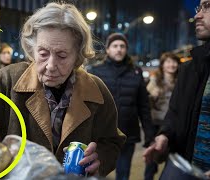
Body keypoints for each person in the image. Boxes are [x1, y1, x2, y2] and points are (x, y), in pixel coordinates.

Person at [0, 2, 126, 177]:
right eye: (43, 53)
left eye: (62, 55)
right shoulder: (11, 79)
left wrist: (100, 158)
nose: (50, 65)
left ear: (78, 55)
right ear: (32, 50)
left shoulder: (96, 90)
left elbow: (112, 141)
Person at [143, 0, 210, 177]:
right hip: (181, 170)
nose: (197, 15)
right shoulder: (190, 69)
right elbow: (174, 114)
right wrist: (164, 136)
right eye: (199, 7)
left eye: (208, 6)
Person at [87, 33, 155, 180]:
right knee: (96, 173)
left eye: (122, 46)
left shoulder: (136, 72)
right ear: (108, 49)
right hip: (101, 134)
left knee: (123, 174)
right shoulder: (95, 71)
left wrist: (149, 135)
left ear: (126, 49)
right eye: (115, 46)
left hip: (127, 134)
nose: (119, 49)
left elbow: (143, 106)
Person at [144, 52, 180, 180]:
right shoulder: (155, 80)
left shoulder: (181, 80)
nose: (172, 65)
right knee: (153, 160)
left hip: (175, 125)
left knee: (173, 159)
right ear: (163, 65)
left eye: (174, 61)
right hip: (157, 124)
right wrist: (152, 96)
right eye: (168, 62)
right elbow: (145, 101)